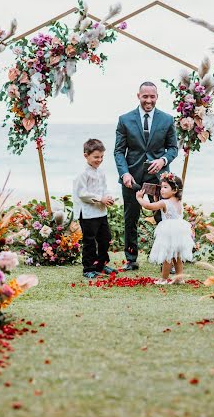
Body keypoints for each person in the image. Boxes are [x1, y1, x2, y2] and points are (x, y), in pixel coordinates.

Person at [114, 82, 178, 271]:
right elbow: (118, 151)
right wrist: (124, 173)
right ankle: (131, 260)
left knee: (163, 219)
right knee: (130, 219)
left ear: (157, 97)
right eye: (145, 96)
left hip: (159, 179)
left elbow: (173, 148)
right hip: (132, 180)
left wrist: (163, 161)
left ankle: (167, 261)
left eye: (152, 97)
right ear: (138, 96)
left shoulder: (167, 120)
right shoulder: (124, 119)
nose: (148, 100)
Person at [136, 172, 194, 284]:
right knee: (177, 256)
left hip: (168, 230)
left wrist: (139, 198)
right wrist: (156, 198)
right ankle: (179, 278)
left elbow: (148, 206)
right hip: (180, 230)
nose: (162, 189)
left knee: (167, 256)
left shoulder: (164, 202)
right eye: (161, 187)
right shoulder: (178, 201)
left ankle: (163, 279)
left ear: (174, 190)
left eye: (165, 187)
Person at [73, 139, 118, 279]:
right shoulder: (82, 174)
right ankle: (88, 268)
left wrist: (108, 196)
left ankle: (101, 264)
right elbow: (82, 194)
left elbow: (105, 188)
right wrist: (100, 198)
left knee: (105, 238)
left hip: (100, 212)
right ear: (86, 155)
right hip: (87, 213)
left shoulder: (101, 172)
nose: (99, 160)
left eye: (102, 157)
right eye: (96, 157)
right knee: (89, 242)